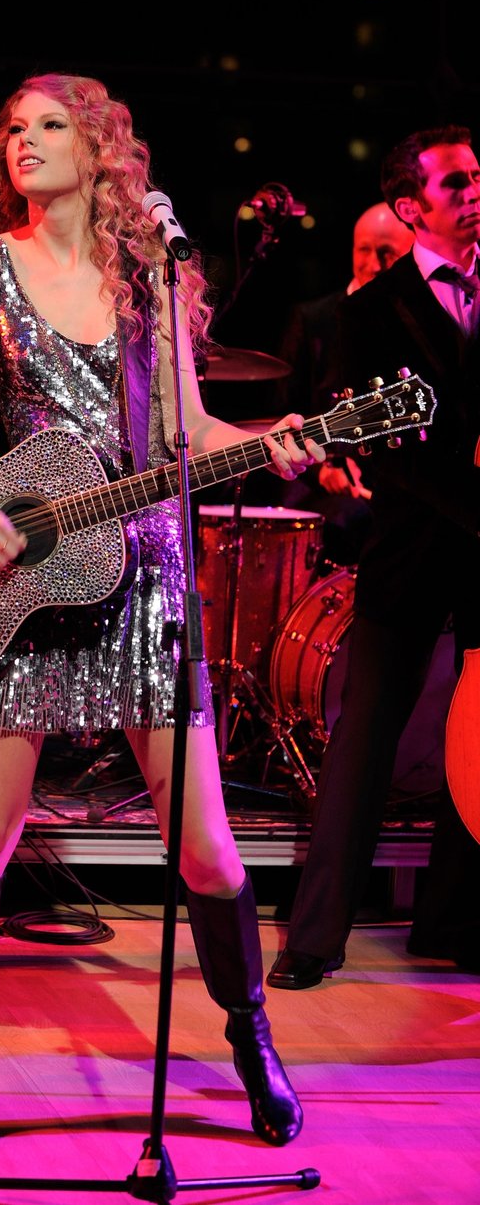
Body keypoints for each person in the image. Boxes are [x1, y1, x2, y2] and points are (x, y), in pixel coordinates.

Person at [0, 72, 324, 1148]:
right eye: (13, 127)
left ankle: (250, 1037)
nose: (24, 141)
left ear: (99, 148)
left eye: (50, 125)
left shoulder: (148, 277)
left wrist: (278, 439)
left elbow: (186, 431)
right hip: (24, 581)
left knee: (205, 846)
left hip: (144, 574)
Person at [267, 123, 480, 991]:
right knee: (364, 742)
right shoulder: (367, 312)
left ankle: (456, 922)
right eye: (456, 183)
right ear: (410, 207)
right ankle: (316, 936)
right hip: (414, 546)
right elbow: (383, 449)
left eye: (479, 177)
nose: (476, 192)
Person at [274, 202, 413, 568]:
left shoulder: (416, 325)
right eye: (364, 249)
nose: (374, 263)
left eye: (387, 252)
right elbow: (280, 414)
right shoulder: (313, 320)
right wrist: (321, 469)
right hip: (318, 490)